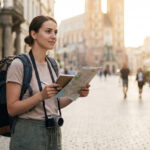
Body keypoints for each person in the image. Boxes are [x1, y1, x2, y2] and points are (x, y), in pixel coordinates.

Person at [6, 15, 90, 150]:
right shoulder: (19, 64)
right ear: (34, 34)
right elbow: (12, 108)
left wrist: (75, 93)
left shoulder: (53, 64)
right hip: (28, 134)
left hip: (54, 132)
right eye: (48, 31)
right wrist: (40, 96)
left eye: (55, 32)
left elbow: (55, 103)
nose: (54, 36)